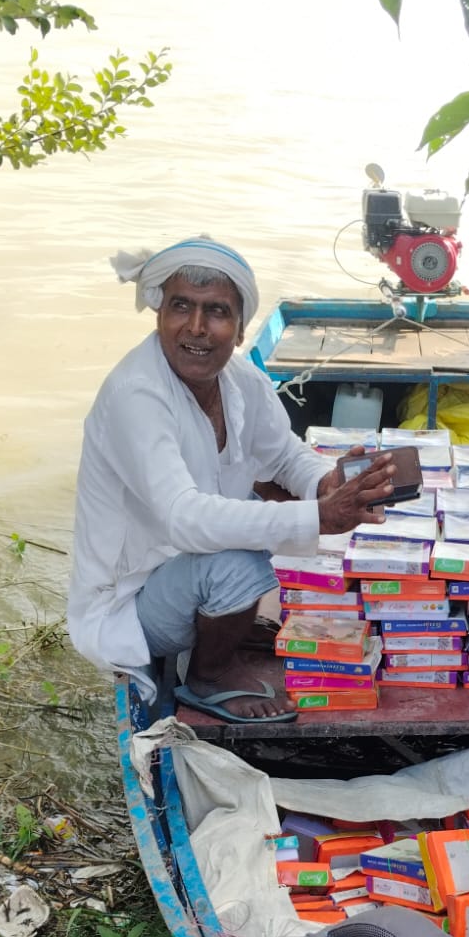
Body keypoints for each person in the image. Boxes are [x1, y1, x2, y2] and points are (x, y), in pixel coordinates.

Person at [67, 236, 394, 721]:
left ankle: (227, 624)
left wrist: (324, 484)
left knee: (255, 531)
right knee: (240, 560)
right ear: (159, 314)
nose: (196, 328)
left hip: (182, 575)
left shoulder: (239, 379)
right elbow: (183, 519)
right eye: (181, 307)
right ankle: (209, 674)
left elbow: (282, 453)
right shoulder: (137, 394)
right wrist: (319, 516)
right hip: (132, 601)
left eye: (216, 312)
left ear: (240, 330)